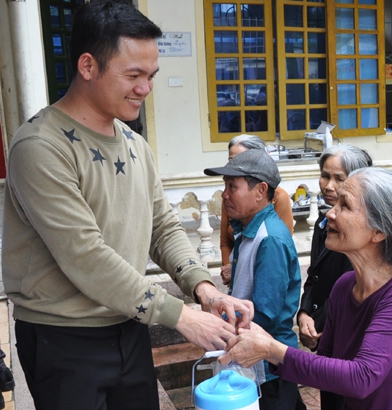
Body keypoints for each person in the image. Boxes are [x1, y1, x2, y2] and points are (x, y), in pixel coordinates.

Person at [1, 2, 254, 408]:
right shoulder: (40, 147)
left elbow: (163, 227)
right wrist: (181, 315)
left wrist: (205, 291)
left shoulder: (134, 143)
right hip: (64, 339)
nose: (145, 88)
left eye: (151, 76)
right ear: (88, 66)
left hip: (130, 324)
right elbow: (85, 255)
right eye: (133, 75)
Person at [220, 167, 392, 410]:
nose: (331, 214)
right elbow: (326, 368)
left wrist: (273, 350)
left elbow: (361, 377)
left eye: (344, 206)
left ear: (379, 231)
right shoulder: (345, 287)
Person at [204, 149, 304, 410]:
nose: (225, 195)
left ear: (260, 191)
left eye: (232, 186)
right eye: (225, 186)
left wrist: (215, 322)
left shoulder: (269, 239)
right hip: (259, 359)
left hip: (269, 366)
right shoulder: (248, 230)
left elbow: (264, 314)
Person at [296, 144, 372, 410]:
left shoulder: (366, 231)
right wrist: (305, 312)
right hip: (325, 334)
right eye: (325, 175)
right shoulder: (323, 222)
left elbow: (353, 285)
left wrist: (321, 325)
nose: (328, 185)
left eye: (339, 178)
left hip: (349, 335)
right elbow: (315, 276)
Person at [219, 134, 294, 287]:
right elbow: (225, 241)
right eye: (231, 160)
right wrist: (230, 268)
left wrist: (238, 271)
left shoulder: (278, 200)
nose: (235, 166)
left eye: (242, 159)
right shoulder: (231, 199)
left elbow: (276, 251)